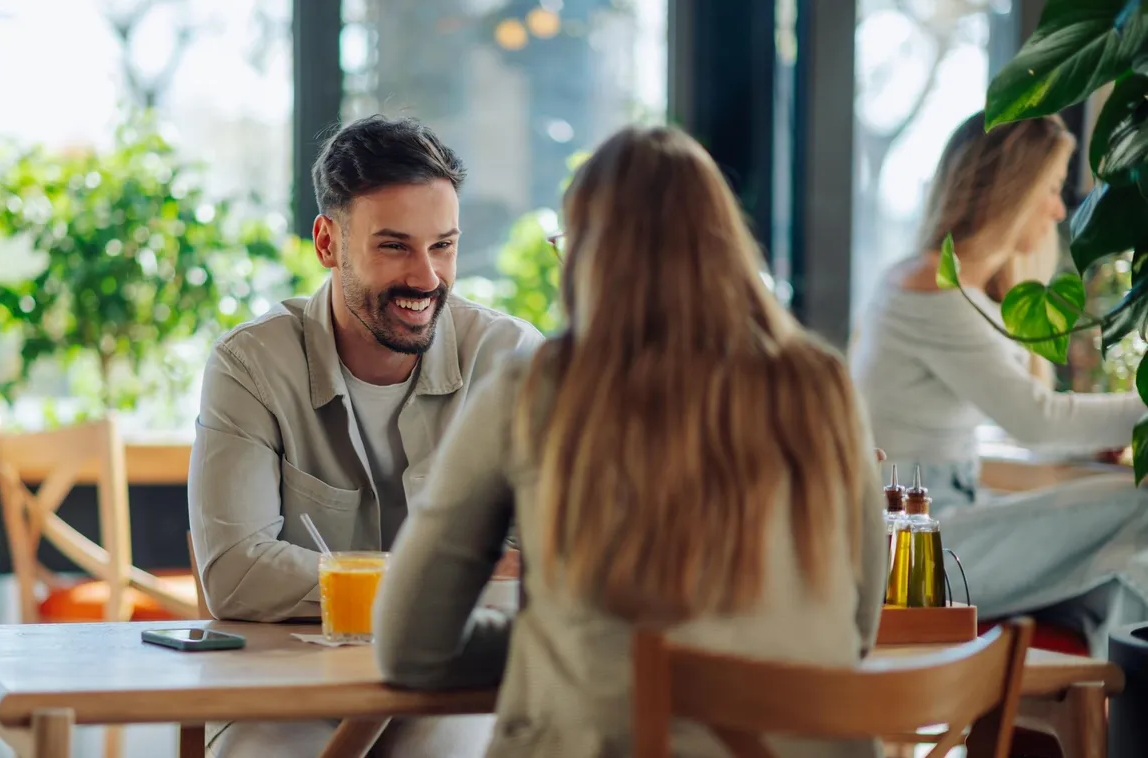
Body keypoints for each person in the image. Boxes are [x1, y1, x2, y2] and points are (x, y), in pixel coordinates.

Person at [373, 126, 886, 757]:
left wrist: (563, 643)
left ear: (589, 257)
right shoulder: (824, 386)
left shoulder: (536, 390)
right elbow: (857, 629)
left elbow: (410, 646)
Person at [188, 115, 542, 757]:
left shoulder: (509, 358)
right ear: (328, 241)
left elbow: (527, 571)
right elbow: (236, 575)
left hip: (448, 683)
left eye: (444, 246)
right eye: (395, 246)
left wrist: (344, 581)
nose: (427, 277)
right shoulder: (252, 365)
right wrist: (432, 581)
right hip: (285, 685)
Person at [850, 111, 1148, 657]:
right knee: (1141, 509)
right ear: (1014, 190)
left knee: (1112, 588)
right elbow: (1039, 421)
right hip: (919, 546)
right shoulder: (934, 294)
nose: (1060, 210)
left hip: (930, 526)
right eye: (1053, 189)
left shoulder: (925, 280)